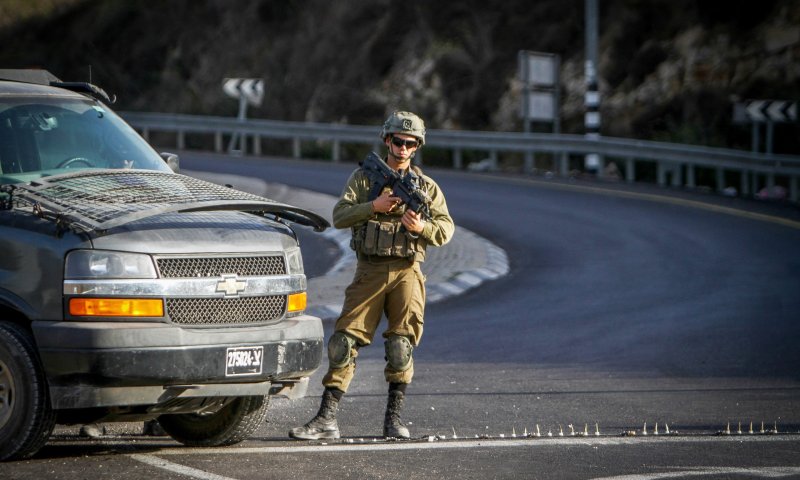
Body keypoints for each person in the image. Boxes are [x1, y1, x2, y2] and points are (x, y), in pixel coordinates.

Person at [290, 111, 454, 440]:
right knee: (343, 343)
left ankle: (393, 421)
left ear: (417, 146)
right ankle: (327, 419)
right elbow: (339, 216)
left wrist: (422, 227)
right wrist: (373, 207)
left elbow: (446, 229)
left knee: (400, 346)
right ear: (386, 140)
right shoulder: (365, 178)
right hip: (370, 270)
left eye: (410, 143)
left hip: (407, 271)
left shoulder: (427, 188)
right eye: (397, 141)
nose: (403, 148)